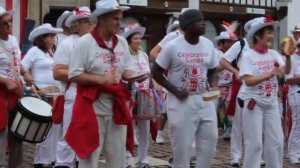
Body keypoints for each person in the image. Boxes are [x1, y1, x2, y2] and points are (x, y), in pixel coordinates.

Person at [65, 0, 136, 167]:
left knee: (117, 158)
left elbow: (125, 70)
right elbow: (73, 74)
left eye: (120, 19)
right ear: (102, 19)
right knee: (89, 157)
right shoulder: (85, 42)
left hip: (116, 107)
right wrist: (101, 80)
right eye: (115, 19)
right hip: (92, 108)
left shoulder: (122, 42)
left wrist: (136, 75)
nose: (120, 23)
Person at [152, 9, 218, 168]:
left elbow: (213, 68)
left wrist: (212, 84)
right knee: (183, 147)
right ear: (188, 25)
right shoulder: (173, 46)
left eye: (203, 20)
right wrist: (176, 91)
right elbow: (156, 72)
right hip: (181, 101)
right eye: (199, 20)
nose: (203, 23)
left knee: (210, 140)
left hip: (204, 99)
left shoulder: (208, 44)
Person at [238, 16, 291, 168]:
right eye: (268, 32)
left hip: (272, 102)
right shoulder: (248, 55)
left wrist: (287, 57)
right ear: (257, 35)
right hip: (253, 103)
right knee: (254, 144)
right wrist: (267, 75)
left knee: (277, 141)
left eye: (271, 33)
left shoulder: (274, 54)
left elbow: (284, 72)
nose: (271, 36)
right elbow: (247, 81)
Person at [53, 6, 93, 168]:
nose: (92, 24)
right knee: (70, 134)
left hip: (94, 95)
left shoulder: (97, 43)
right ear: (76, 24)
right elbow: (57, 73)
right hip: (74, 94)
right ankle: (63, 164)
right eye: (87, 22)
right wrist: (84, 74)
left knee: (89, 135)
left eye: (93, 21)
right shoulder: (67, 44)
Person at [21, 23, 63, 168]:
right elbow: (22, 67)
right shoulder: (34, 51)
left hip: (56, 94)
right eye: (50, 36)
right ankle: (41, 161)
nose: (53, 38)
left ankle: (51, 159)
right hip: (43, 93)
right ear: (42, 38)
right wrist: (29, 83)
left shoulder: (54, 52)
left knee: (55, 128)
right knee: (45, 129)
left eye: (53, 36)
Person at [0, 6, 28, 168]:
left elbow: (15, 62)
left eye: (10, 22)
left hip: (16, 93)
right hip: (1, 94)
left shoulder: (13, 40)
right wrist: (5, 82)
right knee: (1, 134)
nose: (10, 26)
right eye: (4, 23)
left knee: (18, 132)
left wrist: (25, 72)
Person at [213, 22, 237, 140]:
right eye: (228, 41)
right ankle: (211, 131)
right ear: (222, 42)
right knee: (213, 109)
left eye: (232, 42)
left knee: (230, 109)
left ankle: (229, 130)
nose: (230, 44)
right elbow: (213, 69)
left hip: (231, 85)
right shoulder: (216, 53)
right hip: (217, 86)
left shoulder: (235, 54)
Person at [286, 38, 300, 164]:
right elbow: (289, 79)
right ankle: (293, 154)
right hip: (296, 93)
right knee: (297, 124)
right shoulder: (292, 58)